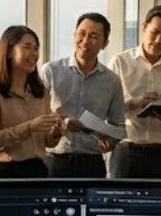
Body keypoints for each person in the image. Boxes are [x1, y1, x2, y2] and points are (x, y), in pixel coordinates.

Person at [109, 5, 161, 179]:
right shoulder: (120, 62)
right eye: (155, 32)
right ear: (144, 27)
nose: (159, 40)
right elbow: (107, 107)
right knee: (121, 204)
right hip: (127, 151)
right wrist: (135, 102)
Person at [40, 12, 125, 178]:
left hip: (92, 163)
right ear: (74, 35)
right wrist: (62, 122)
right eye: (81, 34)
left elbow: (118, 126)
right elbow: (37, 114)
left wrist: (110, 142)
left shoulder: (112, 81)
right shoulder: (50, 71)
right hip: (55, 160)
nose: (85, 41)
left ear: (105, 43)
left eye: (94, 36)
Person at [0, 26, 61, 178]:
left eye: (36, 48)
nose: (34, 54)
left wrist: (55, 134)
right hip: (3, 172)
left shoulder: (41, 91)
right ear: (9, 52)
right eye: (27, 47)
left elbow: (46, 142)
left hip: (37, 170)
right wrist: (29, 127)